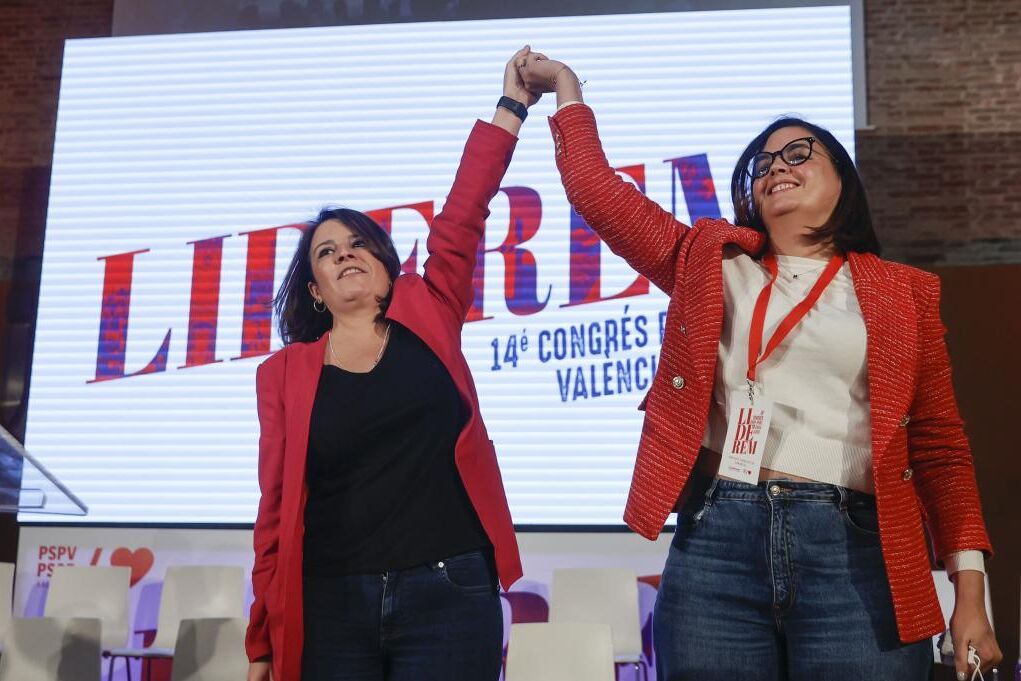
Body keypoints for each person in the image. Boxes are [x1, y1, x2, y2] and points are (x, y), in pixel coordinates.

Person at [517, 52, 1001, 680]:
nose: (776, 167)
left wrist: (970, 596)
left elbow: (940, 449)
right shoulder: (709, 261)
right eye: (762, 164)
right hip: (718, 543)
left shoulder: (903, 293)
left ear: (844, 179)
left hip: (855, 551)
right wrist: (567, 90)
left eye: (798, 154)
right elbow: (597, 193)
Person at [245, 46, 539, 681]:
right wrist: (261, 639)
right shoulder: (282, 373)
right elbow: (274, 510)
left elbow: (464, 213)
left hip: (450, 591)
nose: (345, 254)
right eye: (327, 252)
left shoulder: (430, 309)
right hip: (330, 602)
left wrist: (511, 107)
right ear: (315, 289)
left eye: (359, 243)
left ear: (384, 263)